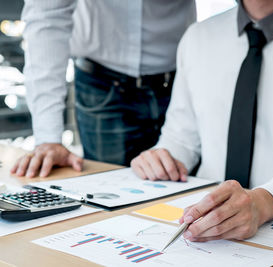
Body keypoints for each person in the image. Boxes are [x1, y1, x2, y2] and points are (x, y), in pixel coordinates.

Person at [131, 0, 273, 242]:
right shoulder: (198, 38)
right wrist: (163, 157)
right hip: (208, 235)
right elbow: (182, 136)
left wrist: (266, 201)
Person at [11, 0, 196, 178]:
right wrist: (49, 138)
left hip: (182, 81)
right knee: (110, 192)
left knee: (182, 187)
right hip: (102, 84)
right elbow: (47, 20)